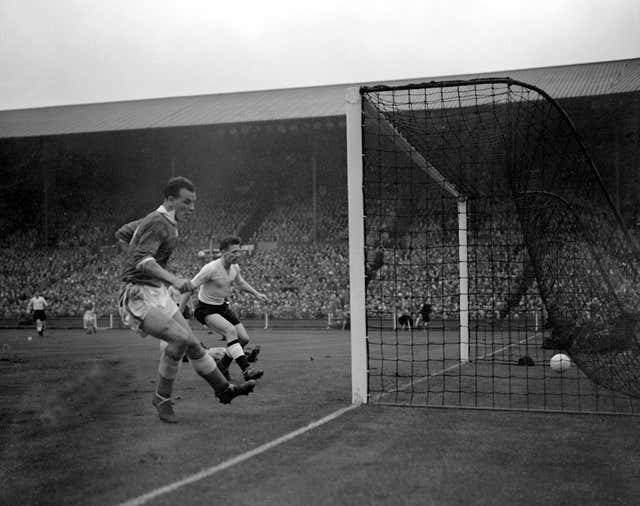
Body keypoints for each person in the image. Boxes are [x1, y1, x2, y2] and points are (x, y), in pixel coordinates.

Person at [116, 177, 255, 423]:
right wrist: (171, 279)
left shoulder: (164, 222)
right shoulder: (158, 222)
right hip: (138, 293)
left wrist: (135, 261)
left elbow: (124, 233)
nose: (192, 208)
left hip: (156, 291)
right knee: (179, 339)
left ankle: (225, 390)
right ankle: (162, 398)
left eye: (193, 202)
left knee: (192, 342)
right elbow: (143, 261)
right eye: (187, 202)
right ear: (170, 199)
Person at [190, 235, 268, 381]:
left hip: (222, 307)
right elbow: (190, 287)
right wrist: (181, 311)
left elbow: (241, 283)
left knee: (243, 339)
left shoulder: (235, 267)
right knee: (231, 331)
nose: (237, 255)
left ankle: (221, 366)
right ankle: (247, 370)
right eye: (233, 252)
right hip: (205, 309)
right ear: (223, 252)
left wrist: (257, 294)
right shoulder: (210, 268)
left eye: (238, 252)